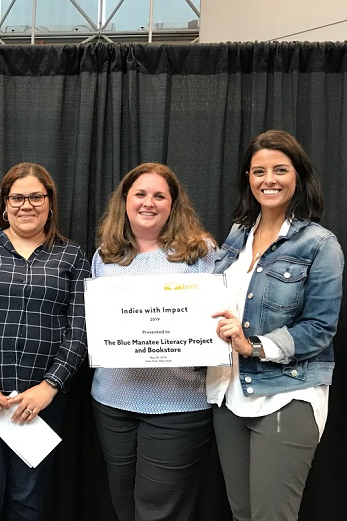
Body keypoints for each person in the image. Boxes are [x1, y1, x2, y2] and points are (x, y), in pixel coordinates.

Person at [207, 130, 344, 521]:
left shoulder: (319, 244)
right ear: (248, 179)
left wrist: (254, 346)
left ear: (297, 177)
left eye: (280, 170)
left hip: (286, 395)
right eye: (259, 171)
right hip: (227, 394)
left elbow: (320, 327)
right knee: (243, 514)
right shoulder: (237, 236)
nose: (269, 179)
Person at [0, 162, 90, 521]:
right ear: (5, 204)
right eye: (18, 197)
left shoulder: (71, 255)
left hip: (38, 403)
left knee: (28, 504)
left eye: (36, 197)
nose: (27, 205)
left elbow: (81, 328)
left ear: (50, 202)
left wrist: (50, 386)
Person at [90, 162, 217, 521]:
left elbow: (219, 317)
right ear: (125, 201)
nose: (149, 203)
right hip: (113, 402)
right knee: (124, 507)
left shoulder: (201, 252)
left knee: (159, 511)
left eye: (159, 195)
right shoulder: (105, 256)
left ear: (173, 205)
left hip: (178, 405)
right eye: (140, 194)